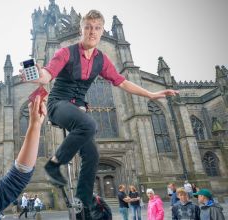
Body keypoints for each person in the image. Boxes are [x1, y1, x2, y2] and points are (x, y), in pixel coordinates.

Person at [21, 9, 179, 218]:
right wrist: (36, 75)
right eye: (88, 27)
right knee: (89, 125)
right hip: (58, 105)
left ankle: (84, 201)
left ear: (102, 31)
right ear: (81, 29)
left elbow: (122, 81)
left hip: (77, 109)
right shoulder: (65, 53)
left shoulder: (101, 60)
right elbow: (47, 74)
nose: (92, 32)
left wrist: (150, 94)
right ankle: (53, 164)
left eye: (96, 28)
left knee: (92, 155)